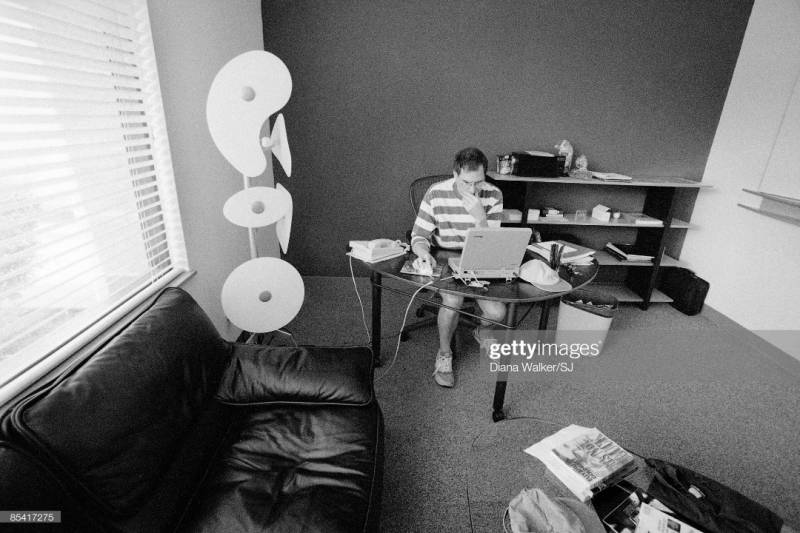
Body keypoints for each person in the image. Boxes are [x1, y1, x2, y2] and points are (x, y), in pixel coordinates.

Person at [410, 147, 506, 388]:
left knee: (497, 313)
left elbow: (492, 245)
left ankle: (482, 331)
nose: (473, 189)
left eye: (478, 182)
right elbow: (419, 235)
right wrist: (423, 253)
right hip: (444, 256)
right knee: (453, 301)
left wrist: (480, 218)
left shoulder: (494, 194)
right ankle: (444, 354)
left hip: (479, 258)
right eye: (466, 182)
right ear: (454, 174)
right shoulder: (436, 193)